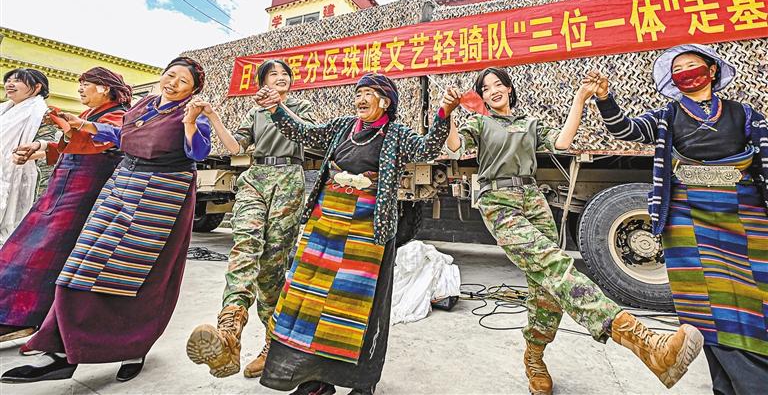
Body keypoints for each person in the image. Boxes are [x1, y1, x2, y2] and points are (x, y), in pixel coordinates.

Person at [445, 67, 703, 395]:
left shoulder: (530, 123)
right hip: (498, 201)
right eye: (485, 87)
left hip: (533, 199)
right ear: (482, 96)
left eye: (499, 84)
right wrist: (448, 114)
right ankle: (646, 344)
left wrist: (581, 98)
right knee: (555, 266)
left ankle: (534, 357)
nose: (493, 90)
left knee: (547, 288)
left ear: (509, 88)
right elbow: (455, 146)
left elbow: (563, 142)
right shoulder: (480, 123)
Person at [0, 57, 211, 384]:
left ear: (193, 90)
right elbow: (119, 135)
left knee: (139, 276)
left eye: (182, 81)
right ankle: (60, 351)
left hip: (162, 198)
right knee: (79, 267)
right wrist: (84, 126)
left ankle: (133, 347)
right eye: (170, 75)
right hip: (121, 188)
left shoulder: (192, 115)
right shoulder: (143, 107)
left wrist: (191, 122)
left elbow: (198, 152)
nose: (172, 83)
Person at [257, 73, 458, 395]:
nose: (360, 99)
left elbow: (427, 148)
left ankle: (361, 384)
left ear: (385, 102)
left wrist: (443, 113)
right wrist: (276, 109)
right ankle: (314, 381)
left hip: (367, 228)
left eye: (368, 94)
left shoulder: (396, 134)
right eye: (358, 93)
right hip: (325, 223)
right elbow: (302, 132)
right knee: (309, 299)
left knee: (355, 305)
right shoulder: (342, 127)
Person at [590, 43, 768, 395]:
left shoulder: (744, 114)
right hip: (689, 216)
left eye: (692, 65)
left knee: (753, 303)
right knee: (707, 308)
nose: (685, 72)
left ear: (712, 71)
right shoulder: (666, 116)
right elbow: (624, 129)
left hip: (744, 214)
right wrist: (605, 98)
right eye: (678, 69)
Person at [185, 59, 315, 379]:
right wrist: (212, 116)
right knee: (245, 246)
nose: (280, 78)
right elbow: (234, 146)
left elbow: (311, 137)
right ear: (262, 82)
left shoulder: (301, 106)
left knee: (272, 264)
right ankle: (229, 331)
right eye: (273, 74)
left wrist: (278, 107)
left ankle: (273, 343)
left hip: (289, 178)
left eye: (285, 74)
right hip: (256, 177)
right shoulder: (255, 112)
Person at [0, 67, 132, 344]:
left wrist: (71, 128)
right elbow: (66, 147)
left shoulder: (117, 116)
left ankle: (18, 318)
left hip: (81, 197)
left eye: (87, 83)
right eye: (80, 83)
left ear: (105, 88)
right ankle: (14, 315)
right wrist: (38, 149)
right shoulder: (87, 114)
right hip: (61, 191)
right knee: (22, 247)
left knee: (39, 252)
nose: (80, 88)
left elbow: (101, 140)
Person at [0, 68, 55, 245]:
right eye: (8, 80)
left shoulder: (44, 115)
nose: (10, 84)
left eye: (17, 80)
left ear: (37, 87)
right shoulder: (3, 110)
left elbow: (50, 145)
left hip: (22, 177)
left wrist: (27, 155)